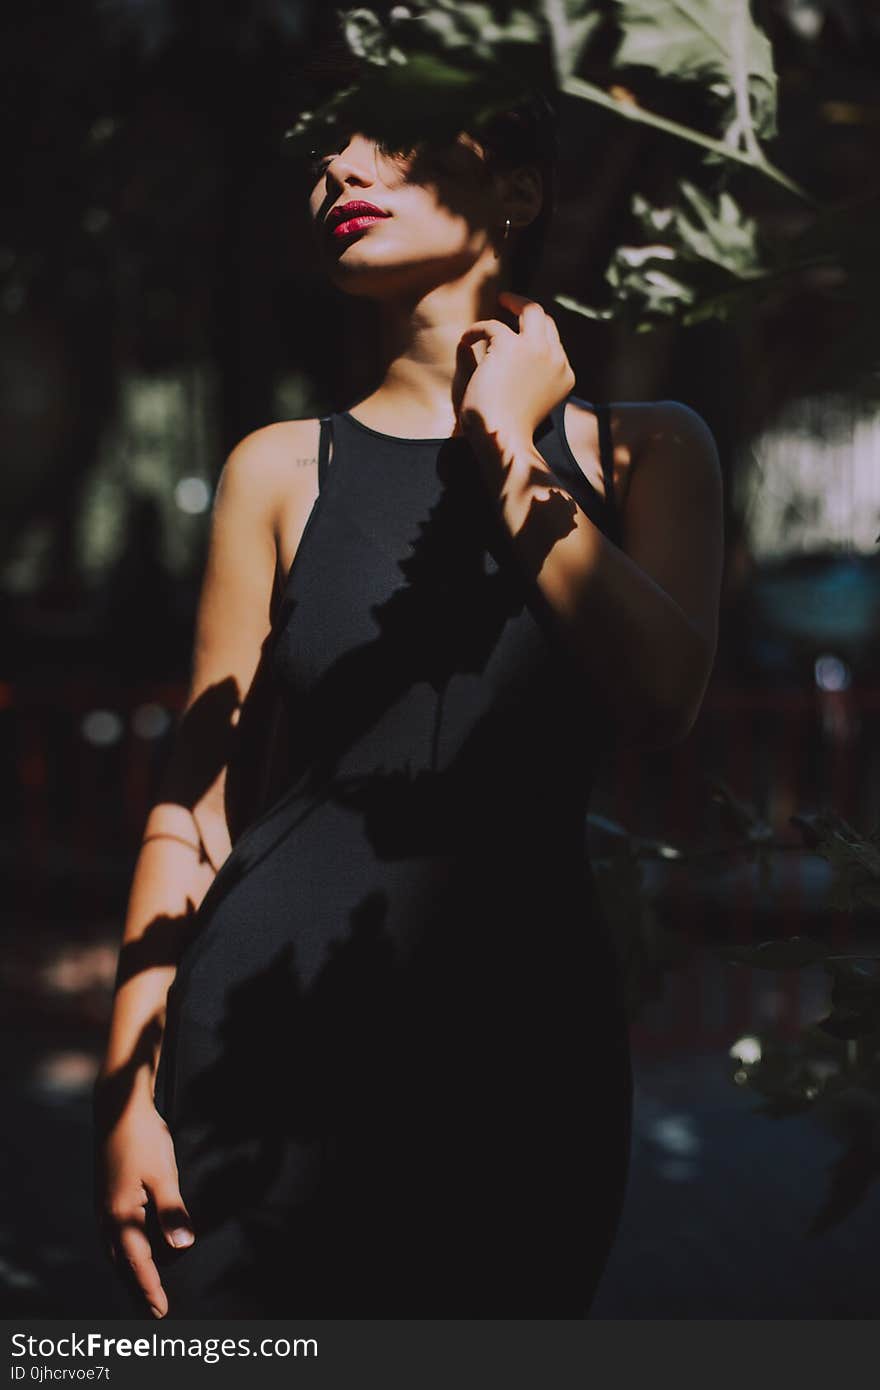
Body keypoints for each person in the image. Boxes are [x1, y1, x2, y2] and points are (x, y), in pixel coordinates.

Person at [92, 89, 724, 1318]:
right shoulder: (275, 468)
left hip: (524, 1045)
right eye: (323, 150)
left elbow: (662, 697)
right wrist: (122, 1092)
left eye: (385, 135)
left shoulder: (650, 453)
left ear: (521, 191)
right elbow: (197, 804)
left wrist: (503, 449)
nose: (339, 167)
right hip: (265, 1037)